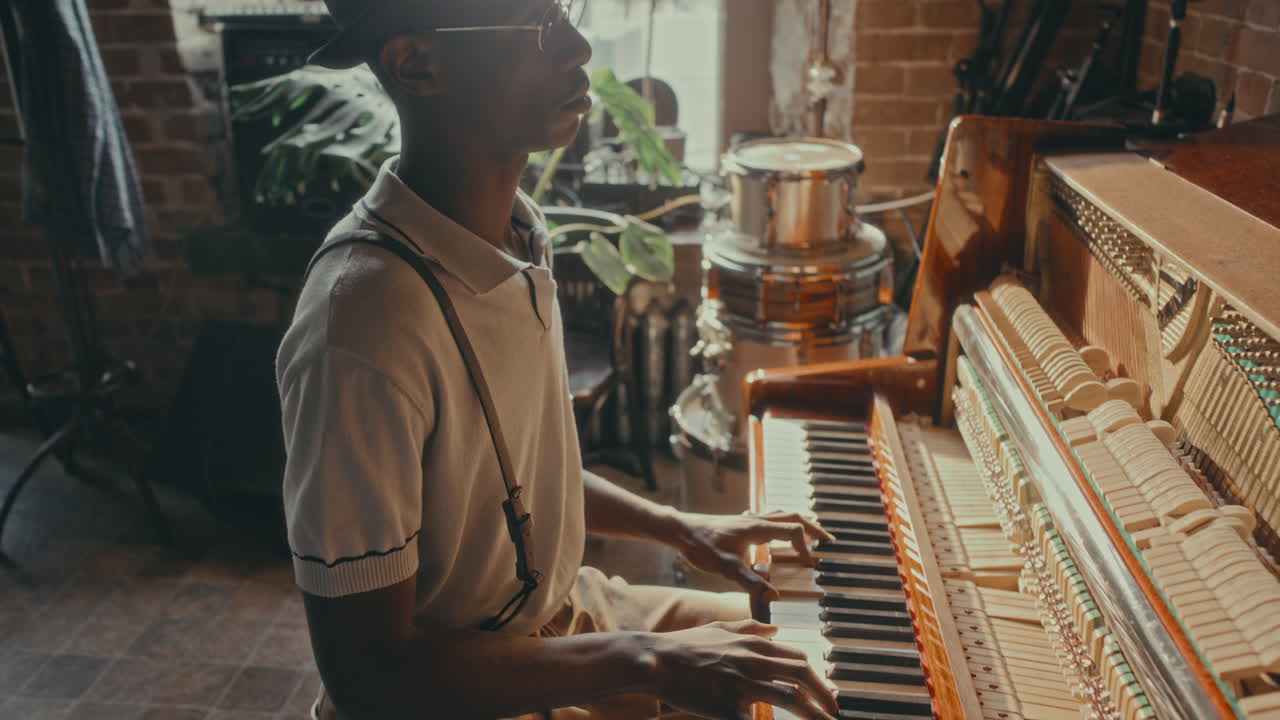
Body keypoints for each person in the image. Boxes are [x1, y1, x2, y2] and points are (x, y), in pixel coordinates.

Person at [276, 1, 840, 718]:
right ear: (418, 64)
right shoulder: (361, 325)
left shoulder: (516, 231)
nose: (577, 49)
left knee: (817, 655)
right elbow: (371, 677)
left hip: (570, 614)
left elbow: (511, 474)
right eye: (536, 28)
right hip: (470, 689)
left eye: (564, 13)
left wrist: (682, 527)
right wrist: (651, 658)